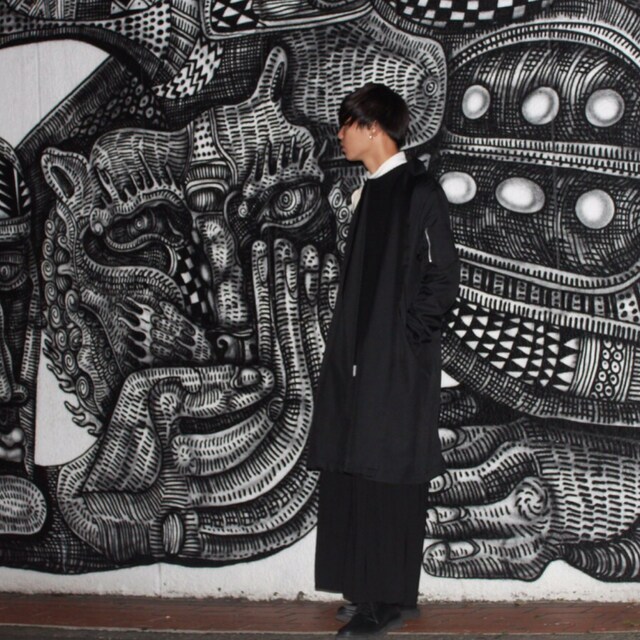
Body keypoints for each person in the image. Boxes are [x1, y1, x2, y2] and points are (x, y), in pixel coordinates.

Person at [306, 83, 460, 637]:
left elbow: (444, 277)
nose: (340, 134)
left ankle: (385, 600)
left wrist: (405, 342)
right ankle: (374, 590)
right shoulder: (368, 192)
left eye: (348, 123)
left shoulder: (420, 190)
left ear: (374, 128)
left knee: (389, 470)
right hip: (359, 365)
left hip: (396, 366)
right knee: (358, 469)